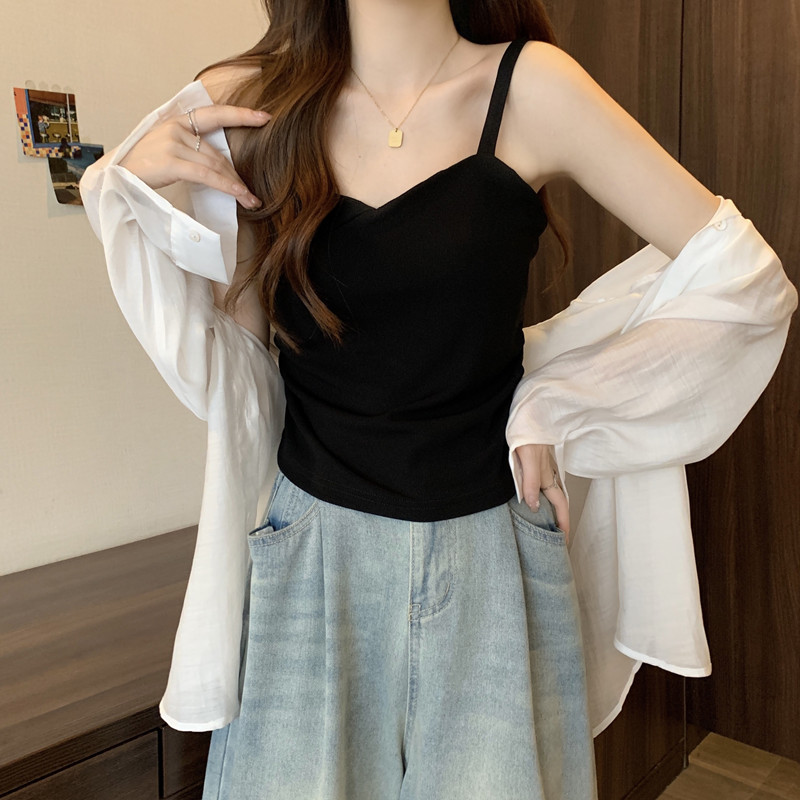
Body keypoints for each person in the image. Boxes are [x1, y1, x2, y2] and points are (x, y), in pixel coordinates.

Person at [81, 0, 797, 798]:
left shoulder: (531, 90)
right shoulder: (251, 103)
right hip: (311, 558)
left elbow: (745, 285)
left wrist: (559, 402)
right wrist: (129, 196)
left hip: (490, 561)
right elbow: (236, 372)